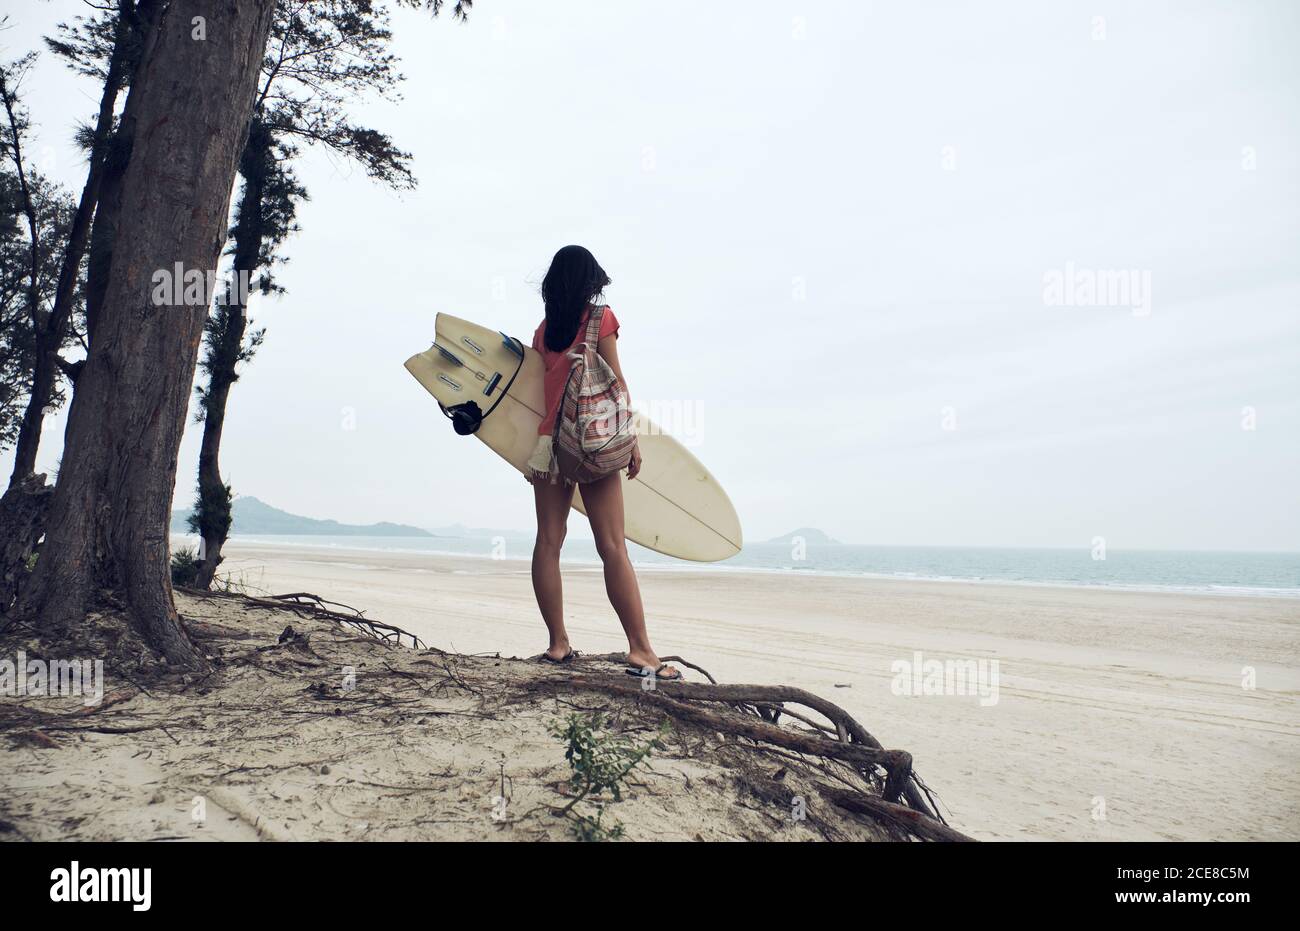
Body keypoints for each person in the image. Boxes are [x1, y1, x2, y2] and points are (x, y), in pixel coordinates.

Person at [523, 245, 682, 681]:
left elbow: (545, 389)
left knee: (548, 543)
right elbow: (616, 383)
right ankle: (642, 652)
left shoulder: (543, 331)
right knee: (612, 545)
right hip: (591, 441)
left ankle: (558, 645)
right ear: (588, 281)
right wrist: (629, 440)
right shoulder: (600, 319)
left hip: (549, 445)